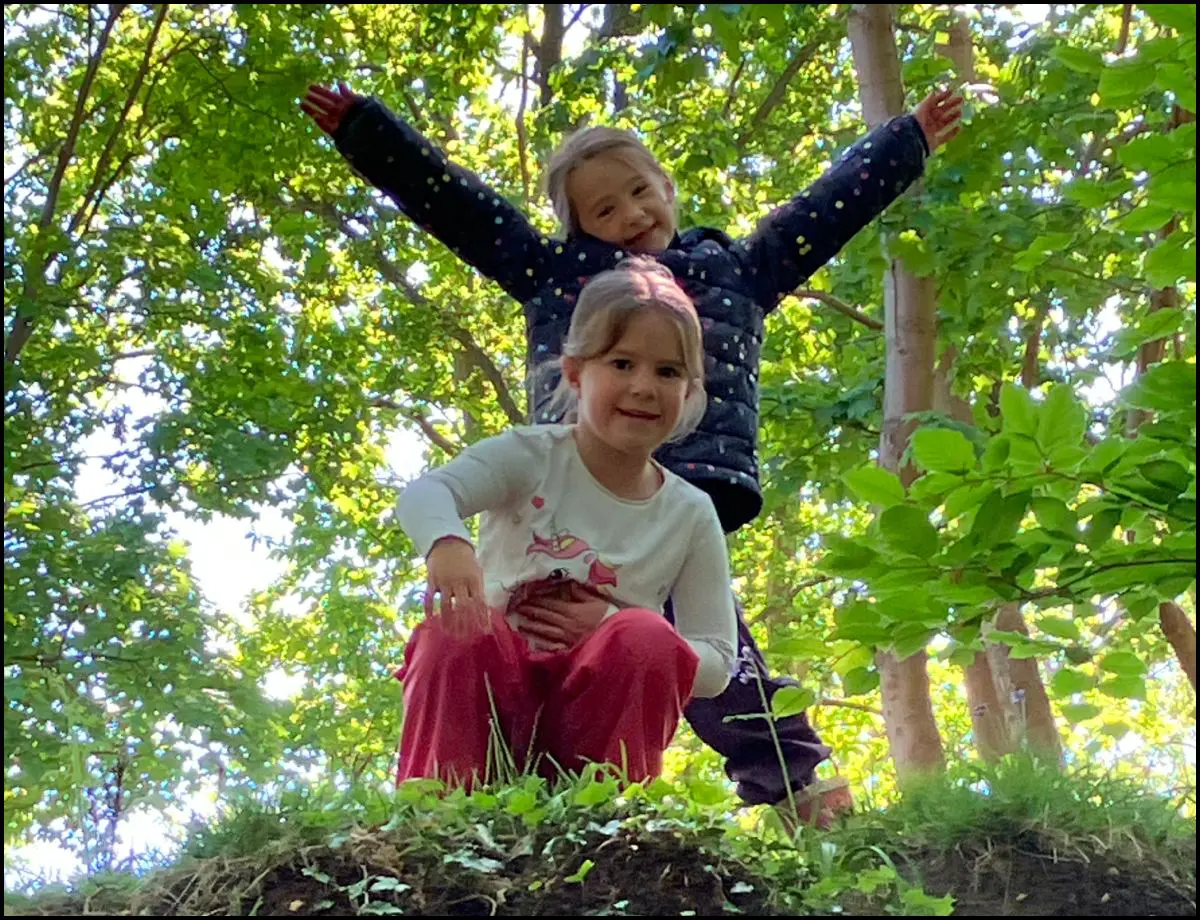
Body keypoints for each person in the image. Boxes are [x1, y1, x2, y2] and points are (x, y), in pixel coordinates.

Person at [302, 76, 963, 824]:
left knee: (683, 646)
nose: (631, 217)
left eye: (640, 193)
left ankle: (789, 785)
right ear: (582, 367)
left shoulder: (735, 270)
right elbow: (463, 210)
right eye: (603, 211)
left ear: (667, 187)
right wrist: (367, 130)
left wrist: (904, 141)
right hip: (578, 481)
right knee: (521, 630)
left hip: (687, 486)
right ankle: (451, 806)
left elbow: (822, 212)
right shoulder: (560, 278)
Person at [393, 259, 737, 787]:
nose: (644, 387)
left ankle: (604, 820)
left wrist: (604, 625)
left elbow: (716, 661)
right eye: (622, 363)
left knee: (645, 633)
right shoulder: (532, 457)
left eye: (667, 371)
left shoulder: (689, 513)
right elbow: (427, 493)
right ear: (576, 372)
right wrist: (447, 543)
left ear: (689, 390)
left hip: (596, 720)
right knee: (454, 630)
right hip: (490, 698)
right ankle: (439, 811)